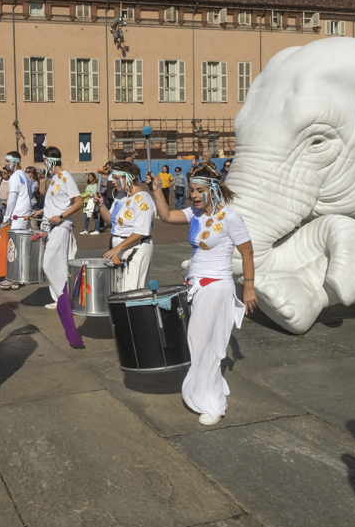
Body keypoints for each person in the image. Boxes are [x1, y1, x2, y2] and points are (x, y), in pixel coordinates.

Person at [147, 165, 256, 425]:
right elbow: (165, 216)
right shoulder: (194, 214)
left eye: (200, 191)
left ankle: (212, 404)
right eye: (192, 191)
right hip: (197, 287)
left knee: (202, 343)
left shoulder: (230, 218)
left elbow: (248, 253)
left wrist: (249, 288)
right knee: (203, 342)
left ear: (214, 191)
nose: (194, 195)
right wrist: (156, 192)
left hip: (216, 287)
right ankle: (212, 386)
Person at [33, 148, 84, 312]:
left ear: (51, 161)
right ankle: (62, 299)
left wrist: (61, 216)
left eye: (44, 160)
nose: (43, 164)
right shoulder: (53, 178)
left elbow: (78, 202)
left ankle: (64, 299)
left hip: (61, 226)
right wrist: (42, 212)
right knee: (58, 264)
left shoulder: (65, 177)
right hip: (50, 226)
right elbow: (56, 203)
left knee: (48, 263)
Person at [94, 161, 154, 291]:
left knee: (131, 290)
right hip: (120, 248)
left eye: (116, 178)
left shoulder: (142, 199)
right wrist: (101, 205)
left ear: (129, 178)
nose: (113, 182)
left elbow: (141, 231)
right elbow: (111, 220)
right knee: (119, 289)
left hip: (136, 248)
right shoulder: (122, 196)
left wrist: (118, 248)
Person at [0, 151, 32, 290]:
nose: (5, 163)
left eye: (7, 160)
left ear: (14, 162)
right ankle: (19, 277)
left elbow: (12, 199)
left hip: (18, 215)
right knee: (19, 247)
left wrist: (6, 217)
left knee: (13, 247)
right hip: (24, 213)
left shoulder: (15, 177)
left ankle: (13, 279)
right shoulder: (24, 175)